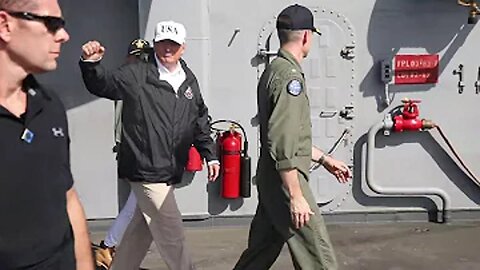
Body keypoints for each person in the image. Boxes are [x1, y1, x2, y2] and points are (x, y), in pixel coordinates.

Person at [79, 20, 220, 270]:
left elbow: (199, 118)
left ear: (183, 47)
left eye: (173, 44)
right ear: (155, 44)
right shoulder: (137, 74)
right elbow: (105, 84)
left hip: (169, 171)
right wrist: (91, 65)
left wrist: (211, 155)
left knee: (139, 234)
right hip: (146, 169)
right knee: (173, 236)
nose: (168, 48)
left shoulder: (188, 80)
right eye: (163, 42)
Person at [233, 4, 352, 270]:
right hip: (286, 181)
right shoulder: (290, 77)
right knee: (318, 258)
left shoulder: (273, 70)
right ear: (307, 36)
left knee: (261, 251)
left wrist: (324, 159)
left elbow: (290, 136)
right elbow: (284, 140)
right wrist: (296, 195)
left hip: (272, 179)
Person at [0, 0, 94, 269]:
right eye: (52, 24)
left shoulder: (50, 105)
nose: (63, 35)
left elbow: (67, 197)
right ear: (5, 25)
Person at [94, 38, 152, 269]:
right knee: (137, 205)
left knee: (138, 205)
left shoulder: (135, 81)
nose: (142, 62)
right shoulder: (129, 81)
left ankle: (112, 248)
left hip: (141, 153)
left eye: (144, 57)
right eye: (138, 57)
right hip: (138, 153)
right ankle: (108, 247)